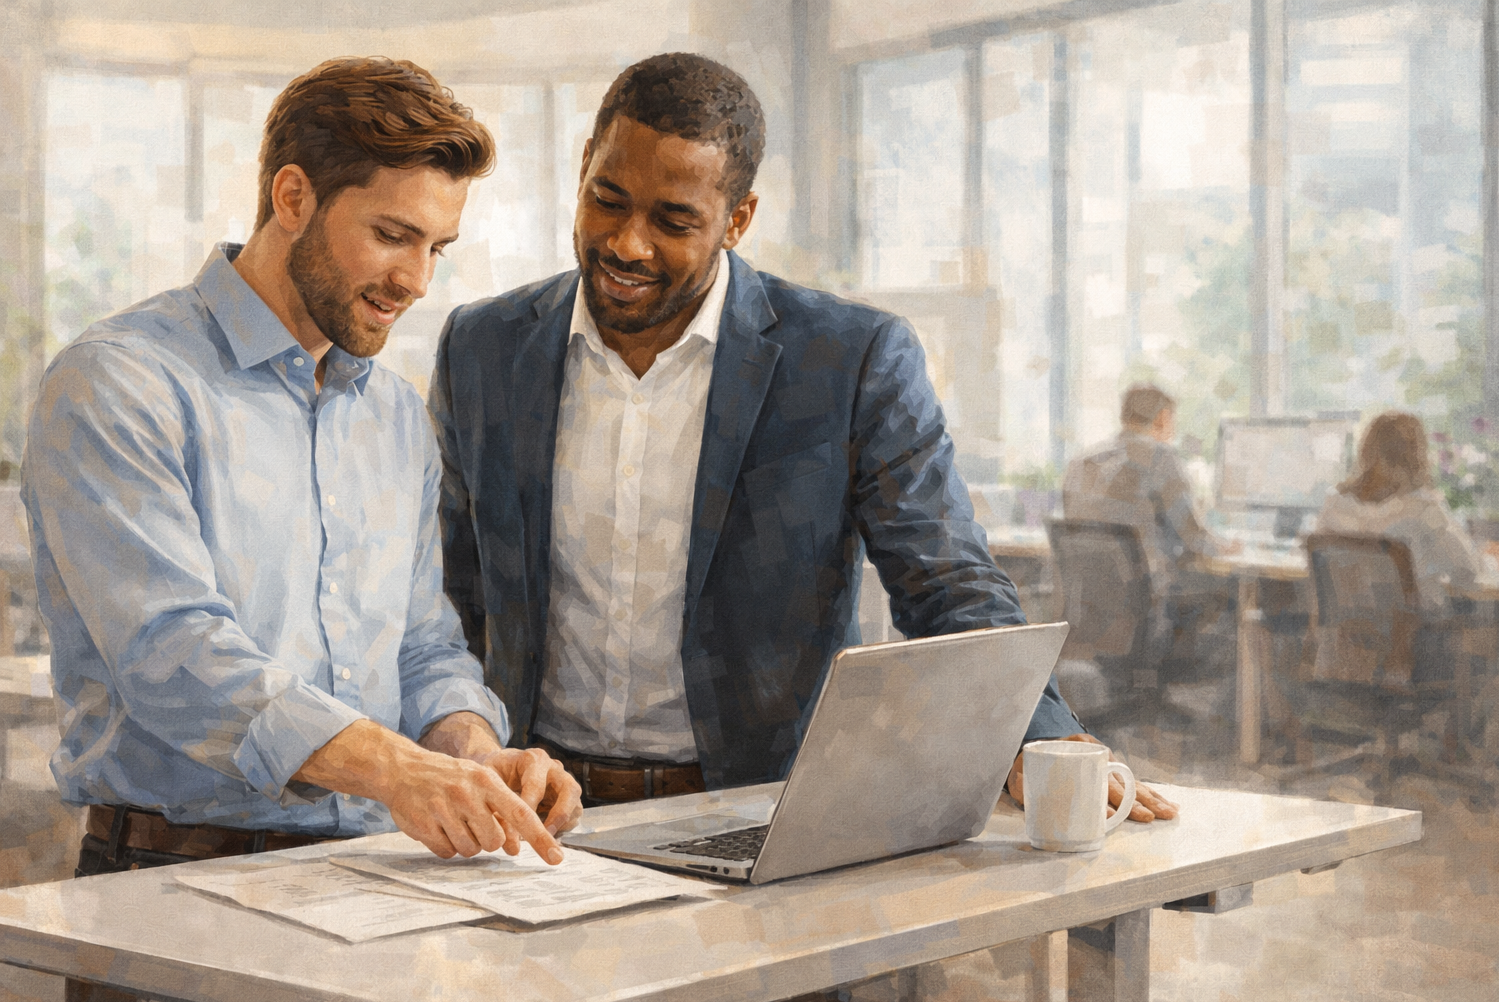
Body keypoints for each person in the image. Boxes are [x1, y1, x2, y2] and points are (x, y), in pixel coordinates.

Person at [428, 52, 1174, 825]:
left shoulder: (848, 359)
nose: (628, 244)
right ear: (583, 167)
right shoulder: (484, 347)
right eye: (606, 200)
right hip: (537, 815)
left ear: (738, 219)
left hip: (759, 811)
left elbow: (944, 575)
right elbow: (450, 592)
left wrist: (1039, 735)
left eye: (674, 221)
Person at [23, 57, 581, 1002]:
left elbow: (420, 642)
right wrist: (399, 770)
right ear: (293, 196)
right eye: (391, 235)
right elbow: (172, 655)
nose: (414, 280)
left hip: (371, 888)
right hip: (166, 889)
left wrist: (470, 749)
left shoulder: (397, 419)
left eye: (437, 247)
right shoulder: (118, 384)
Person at [1063, 383, 1240, 667]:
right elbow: (1194, 536)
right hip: (1146, 612)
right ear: (1162, 419)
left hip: (1090, 613)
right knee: (1237, 600)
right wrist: (1228, 547)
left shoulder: (1082, 462)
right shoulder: (1160, 457)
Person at [1314, 412, 1486, 615]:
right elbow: (1469, 571)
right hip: (1413, 640)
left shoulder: (1335, 504)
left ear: (1366, 451)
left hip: (1342, 641)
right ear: (1417, 455)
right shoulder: (1423, 509)